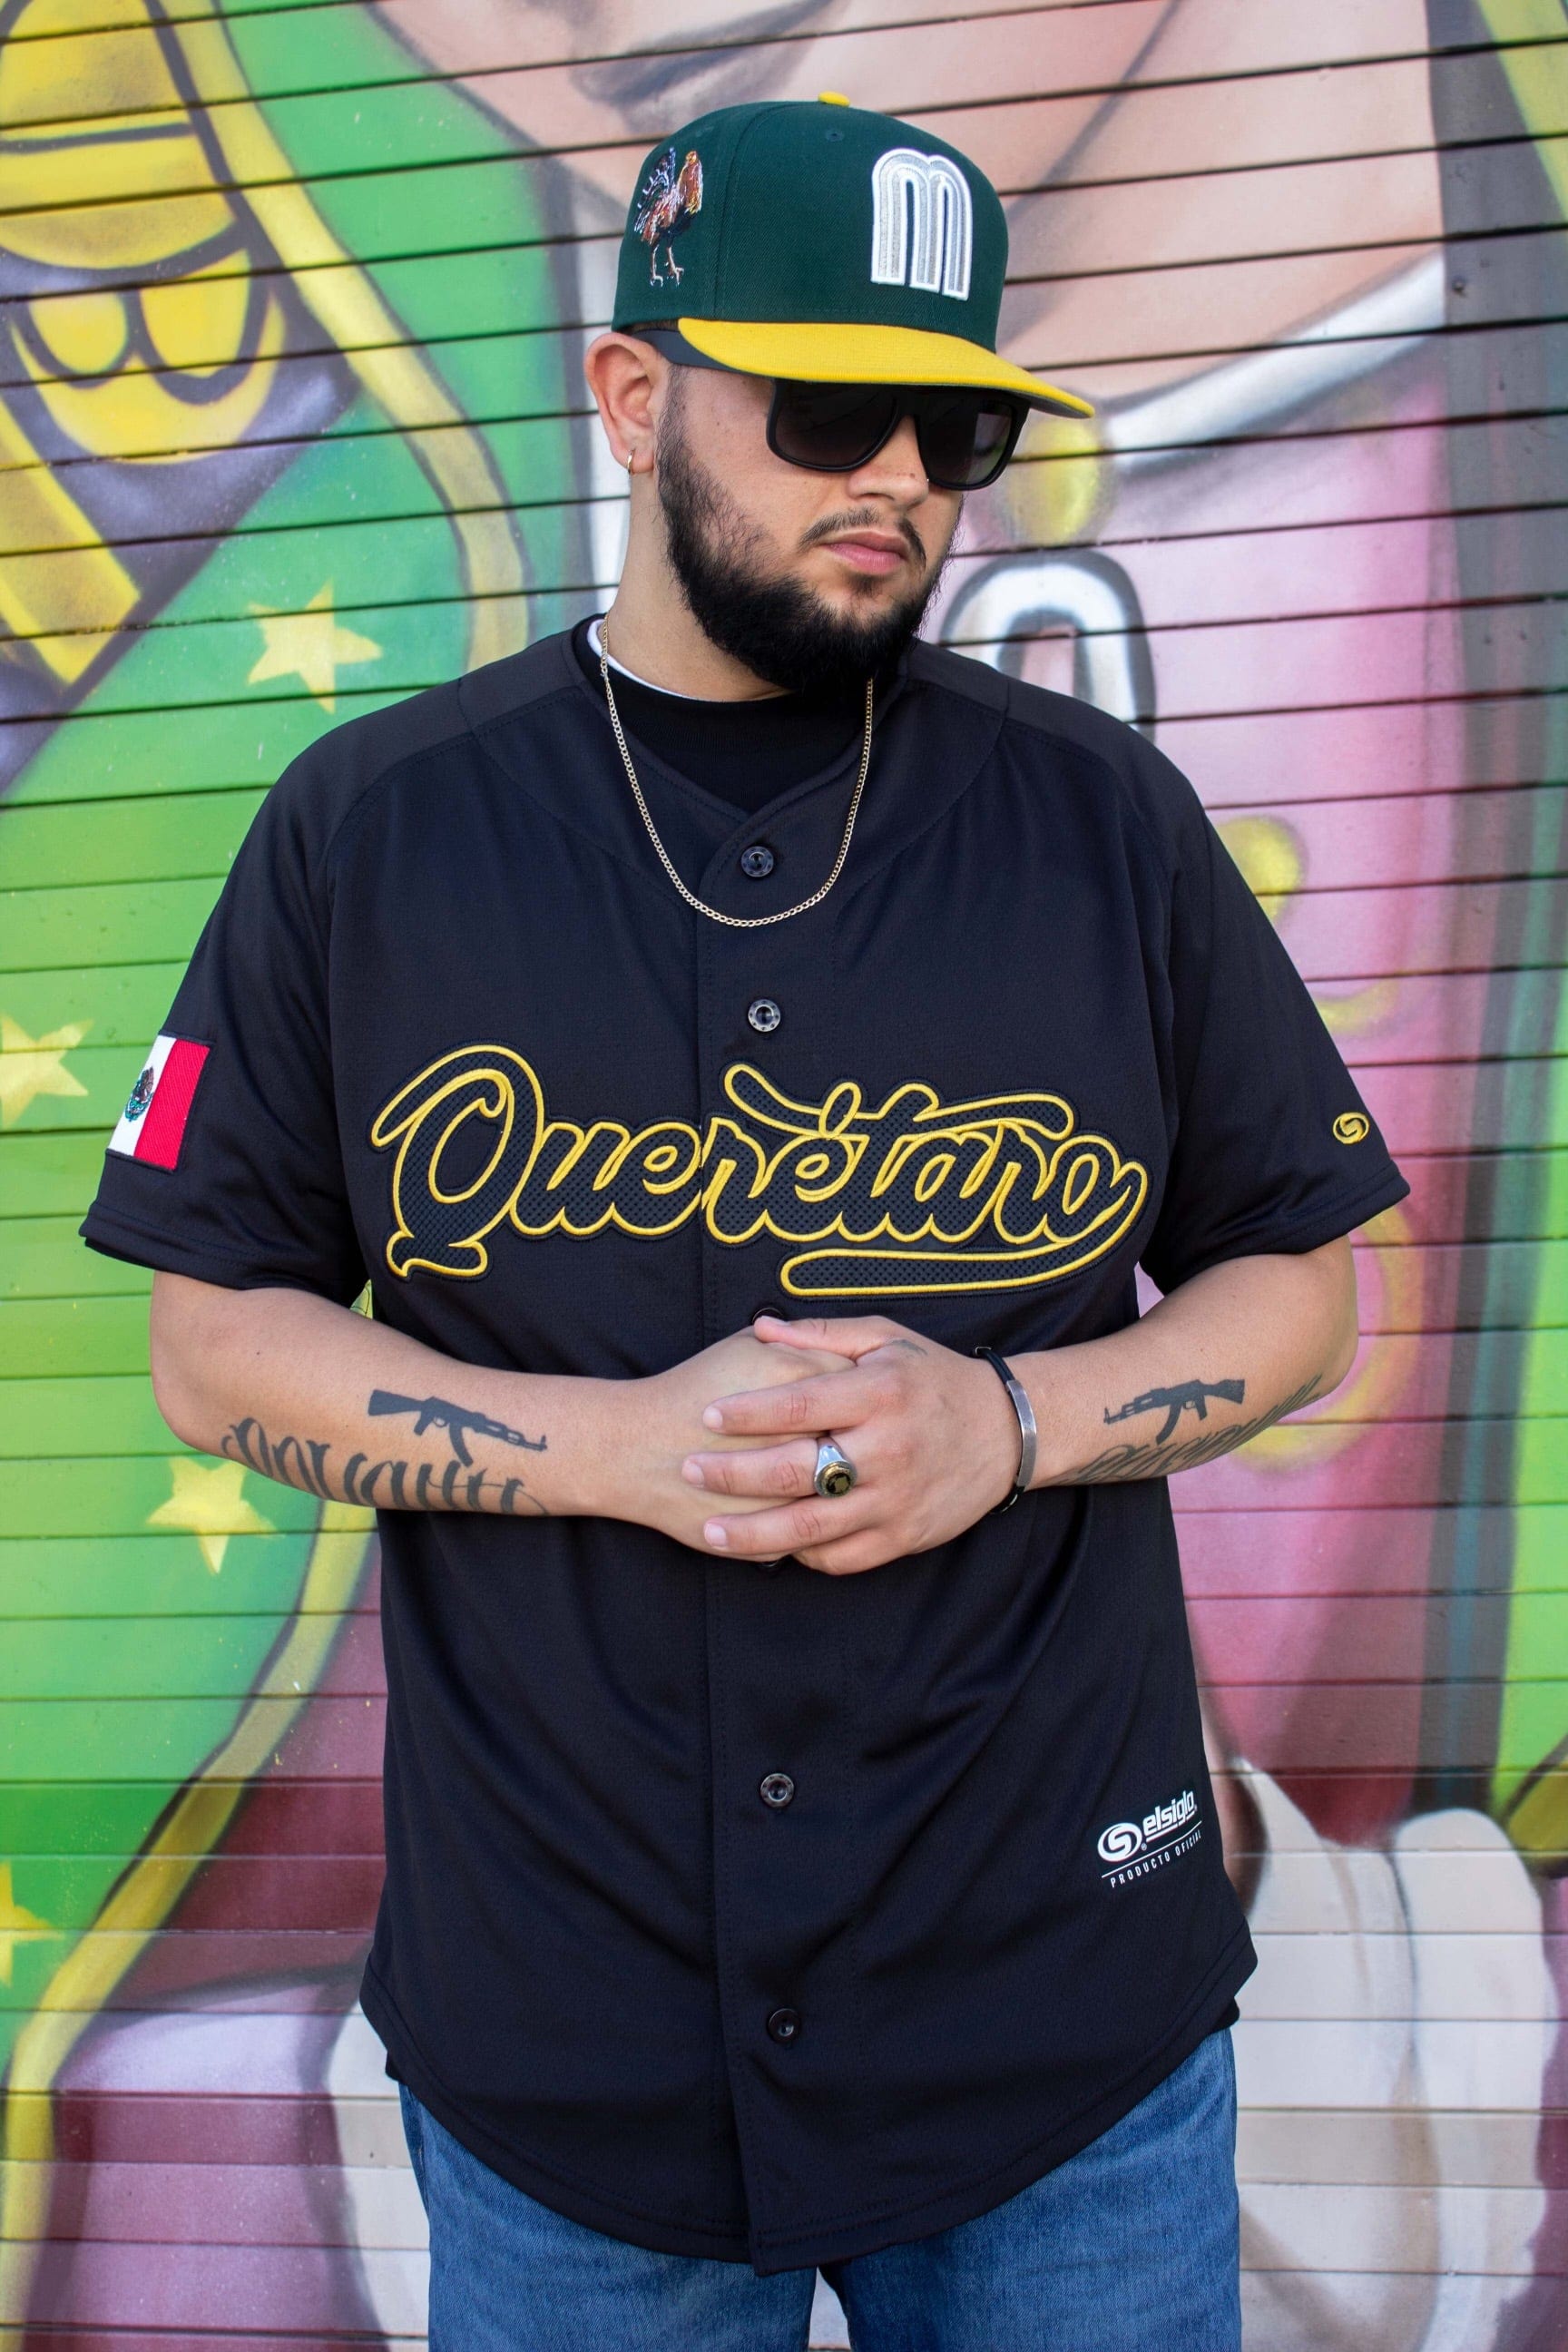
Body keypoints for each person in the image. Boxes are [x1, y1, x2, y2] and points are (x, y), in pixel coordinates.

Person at [82, 96, 1407, 2352]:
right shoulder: (374, 831)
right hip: (574, 2049)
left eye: (952, 427)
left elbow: (1302, 1286)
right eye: (820, 408)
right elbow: (214, 1344)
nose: (896, 476)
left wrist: (1010, 1421)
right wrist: (617, 1448)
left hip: (1057, 2032)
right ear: (631, 395)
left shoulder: (1099, 819)